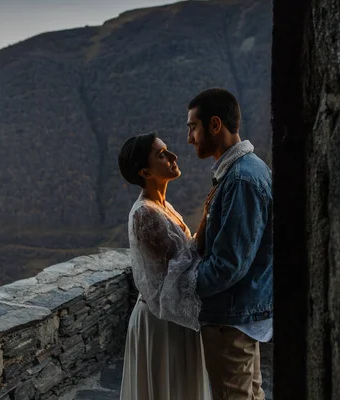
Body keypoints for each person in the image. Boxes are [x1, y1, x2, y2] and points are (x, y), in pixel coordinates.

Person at [187, 88, 273, 400]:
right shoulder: (244, 172)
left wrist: (186, 286)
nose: (189, 138)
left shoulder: (241, 179)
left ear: (214, 125)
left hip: (230, 318)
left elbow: (229, 264)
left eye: (192, 127)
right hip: (241, 314)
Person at [117, 132, 211, 400]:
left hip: (172, 317)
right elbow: (180, 267)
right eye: (162, 154)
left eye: (168, 150)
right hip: (161, 324)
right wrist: (207, 217)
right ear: (145, 171)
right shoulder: (145, 214)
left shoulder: (164, 206)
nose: (173, 156)